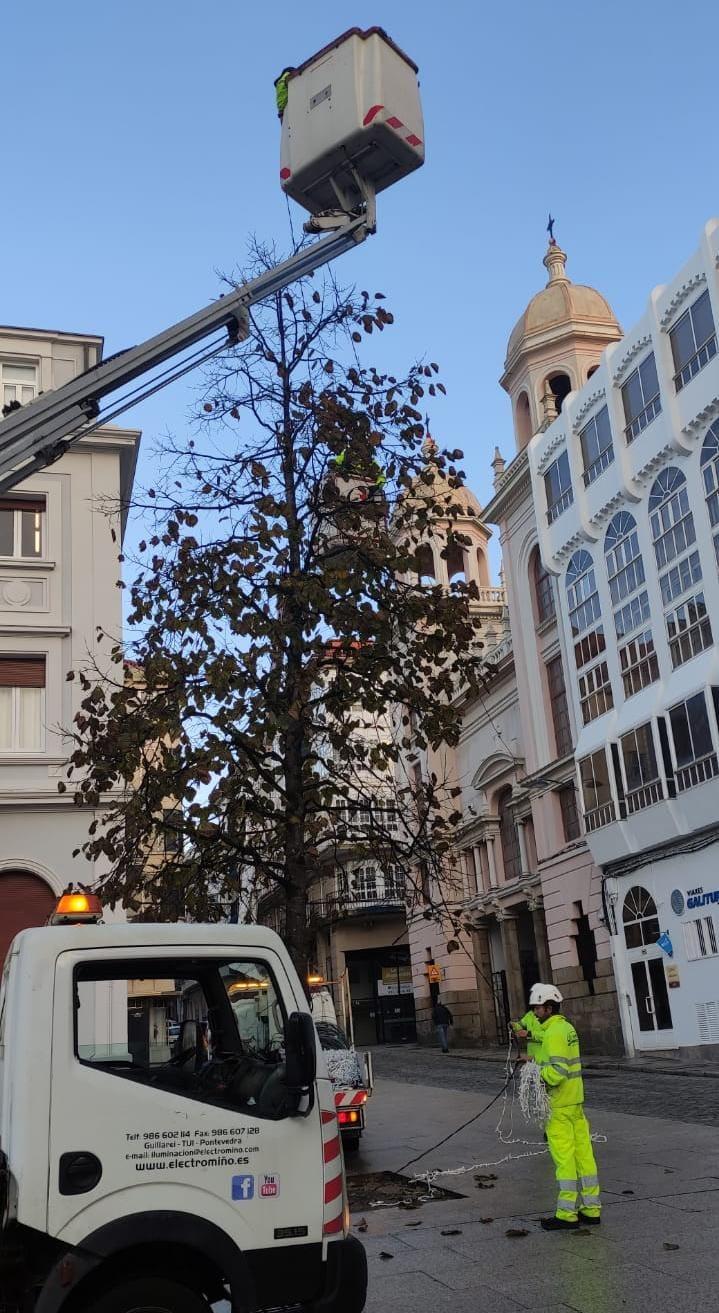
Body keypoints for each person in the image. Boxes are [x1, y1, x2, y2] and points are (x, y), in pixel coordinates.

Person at [513, 983, 601, 1232]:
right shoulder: (567, 1028)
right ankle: (591, 1209)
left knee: (564, 1159)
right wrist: (533, 1060)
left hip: (560, 1104)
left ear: (549, 1007)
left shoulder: (552, 1032)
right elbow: (558, 1060)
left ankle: (566, 1214)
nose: (535, 1012)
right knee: (584, 1156)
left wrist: (535, 1074)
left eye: (538, 1008)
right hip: (575, 1102)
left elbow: (557, 1071)